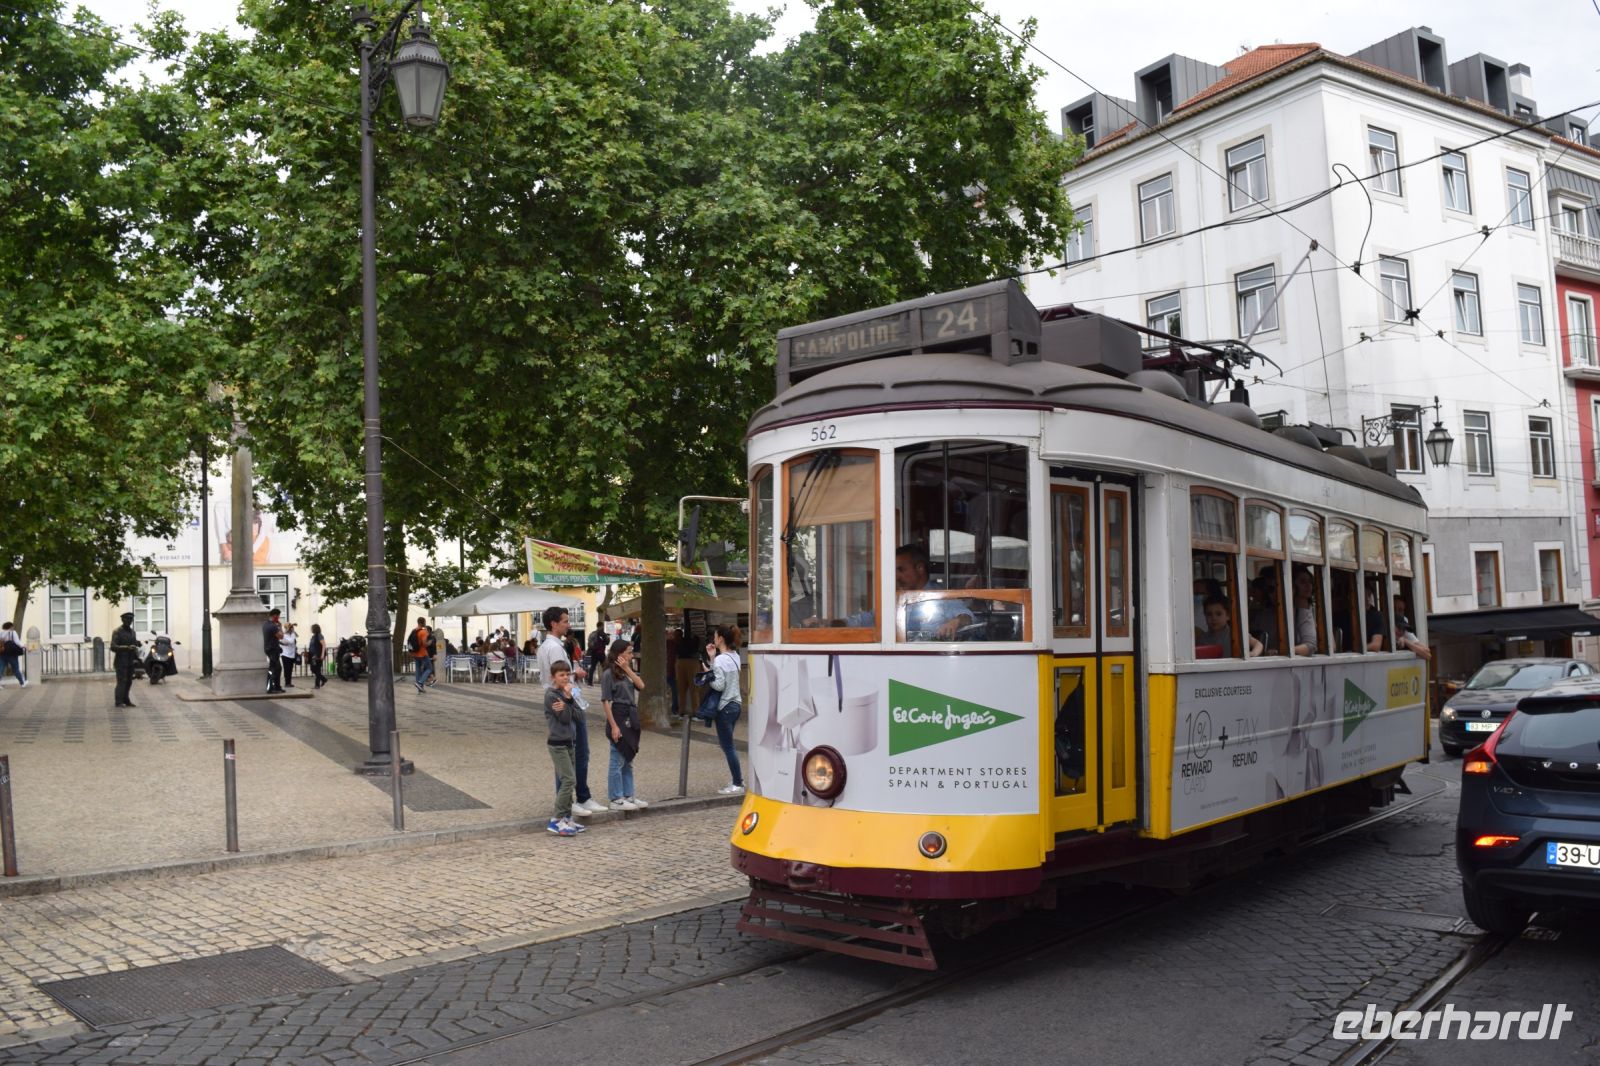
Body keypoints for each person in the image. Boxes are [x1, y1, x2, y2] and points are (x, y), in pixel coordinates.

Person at [540, 606, 604, 815]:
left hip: (567, 700)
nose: (569, 624)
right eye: (565, 621)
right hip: (567, 701)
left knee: (576, 753)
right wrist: (576, 674)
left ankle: (580, 796)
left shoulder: (548, 646)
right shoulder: (555, 648)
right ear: (554, 624)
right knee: (574, 753)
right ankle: (571, 800)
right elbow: (559, 677)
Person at [601, 638, 647, 810]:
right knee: (617, 757)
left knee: (628, 757)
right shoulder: (608, 674)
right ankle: (615, 798)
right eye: (628, 652)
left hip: (631, 713)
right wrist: (613, 725)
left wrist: (627, 668)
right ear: (619, 654)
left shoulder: (626, 672)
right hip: (618, 714)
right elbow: (606, 701)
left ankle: (629, 795)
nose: (631, 654)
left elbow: (641, 685)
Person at [542, 660, 584, 837]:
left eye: (567, 674)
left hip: (570, 741)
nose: (565, 677)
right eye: (561, 675)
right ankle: (557, 819)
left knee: (570, 780)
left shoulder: (567, 694)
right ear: (553, 677)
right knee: (568, 780)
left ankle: (567, 818)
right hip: (557, 743)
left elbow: (580, 714)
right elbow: (565, 718)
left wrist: (568, 702)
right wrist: (568, 702)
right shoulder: (551, 695)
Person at [707, 623, 745, 795]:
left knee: (728, 746)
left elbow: (719, 684)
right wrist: (712, 659)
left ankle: (737, 783)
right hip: (736, 704)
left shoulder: (721, 660)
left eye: (715, 636)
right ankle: (737, 779)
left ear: (720, 638)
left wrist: (708, 674)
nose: (714, 638)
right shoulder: (735, 656)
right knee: (729, 745)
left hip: (724, 706)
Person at [1195, 596, 1263, 657]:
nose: (1214, 618)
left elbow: (1258, 644)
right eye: (1209, 614)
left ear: (1228, 616)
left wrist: (1252, 654)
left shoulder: (1235, 634)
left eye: (1218, 614)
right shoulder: (1202, 638)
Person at [111, 612, 141, 708]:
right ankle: (118, 701)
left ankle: (126, 699)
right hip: (121, 661)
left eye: (131, 619)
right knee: (122, 681)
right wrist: (127, 647)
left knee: (129, 681)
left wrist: (137, 645)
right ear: (123, 620)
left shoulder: (133, 632)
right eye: (127, 619)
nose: (129, 621)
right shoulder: (117, 631)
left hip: (130, 660)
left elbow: (133, 644)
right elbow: (113, 647)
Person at [1393, 594, 1433, 661]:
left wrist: (1405, 641)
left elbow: (1427, 653)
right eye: (1394, 609)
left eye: (1400, 610)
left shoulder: (1403, 623)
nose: (1396, 612)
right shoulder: (1384, 623)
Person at [1291, 566, 1319, 656]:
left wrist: (1287, 651)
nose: (1308, 586)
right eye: (1302, 582)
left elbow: (1311, 646)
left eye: (1310, 582)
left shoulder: (1316, 609)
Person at [406, 616, 435, 693]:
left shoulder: (414, 631)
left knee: (418, 670)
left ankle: (420, 688)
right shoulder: (423, 632)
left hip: (415, 653)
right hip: (422, 653)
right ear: (423, 622)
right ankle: (420, 682)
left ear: (418, 622)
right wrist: (430, 642)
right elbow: (424, 644)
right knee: (429, 668)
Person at [262, 608, 284, 694]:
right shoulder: (273, 626)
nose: (278, 618)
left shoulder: (265, 624)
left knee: (277, 668)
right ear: (275, 616)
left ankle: (277, 687)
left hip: (268, 649)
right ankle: (270, 688)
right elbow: (281, 636)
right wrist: (280, 627)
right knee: (273, 669)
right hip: (273, 650)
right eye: (278, 616)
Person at [0, 622, 26, 688]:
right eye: (12, 626)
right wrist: (24, 646)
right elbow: (17, 642)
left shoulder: (1, 633)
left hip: (2, 653)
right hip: (12, 653)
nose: (13, 628)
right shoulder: (13, 632)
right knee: (16, 669)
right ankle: (22, 683)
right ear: (10, 627)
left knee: (1, 668)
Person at [278, 622, 298, 688]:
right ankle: (287, 683)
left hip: (292, 654)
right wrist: (290, 633)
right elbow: (289, 642)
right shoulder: (284, 635)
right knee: (287, 669)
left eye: (292, 627)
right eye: (291, 627)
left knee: (290, 669)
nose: (292, 628)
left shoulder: (292, 634)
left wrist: (292, 632)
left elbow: (292, 641)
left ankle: (289, 682)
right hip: (285, 654)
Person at [307, 623, 327, 689]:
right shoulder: (313, 636)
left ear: (315, 629)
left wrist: (322, 655)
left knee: (317, 669)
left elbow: (324, 645)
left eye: (312, 628)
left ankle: (317, 685)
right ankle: (323, 679)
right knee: (313, 669)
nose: (311, 629)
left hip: (317, 655)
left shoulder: (319, 635)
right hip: (312, 655)